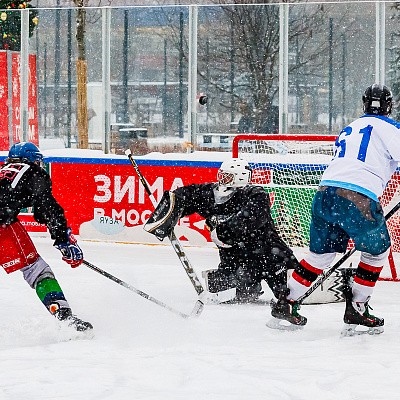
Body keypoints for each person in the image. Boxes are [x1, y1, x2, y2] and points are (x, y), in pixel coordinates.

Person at [271, 83, 399, 333]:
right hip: (357, 196)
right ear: (389, 105)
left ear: (364, 104)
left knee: (321, 256)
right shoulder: (391, 128)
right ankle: (358, 308)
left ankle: (286, 302)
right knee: (377, 252)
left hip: (325, 192)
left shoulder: (350, 128)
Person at [143, 158, 302, 303]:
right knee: (219, 288)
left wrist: (222, 232)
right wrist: (168, 210)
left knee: (290, 296)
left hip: (269, 257)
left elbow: (249, 220)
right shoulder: (211, 194)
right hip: (235, 260)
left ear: (240, 178)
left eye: (227, 177)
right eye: (221, 175)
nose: (221, 180)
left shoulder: (255, 195)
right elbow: (186, 195)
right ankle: (250, 287)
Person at [0, 142, 92, 332]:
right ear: (32, 160)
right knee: (36, 270)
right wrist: (63, 241)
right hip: (2, 225)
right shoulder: (33, 172)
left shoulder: (2, 169)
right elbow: (48, 210)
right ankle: (66, 320)